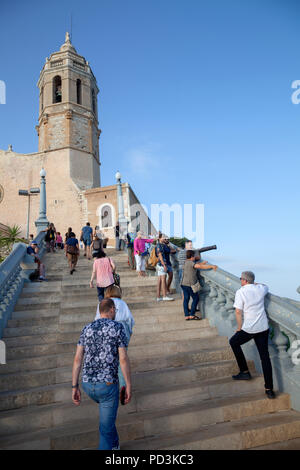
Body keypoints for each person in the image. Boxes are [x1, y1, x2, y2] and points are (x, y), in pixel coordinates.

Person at [72, 298, 132, 450]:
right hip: (107, 385)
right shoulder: (118, 327)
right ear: (112, 309)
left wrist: (74, 386)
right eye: (115, 311)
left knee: (107, 422)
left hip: (87, 385)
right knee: (105, 429)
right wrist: (128, 384)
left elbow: (78, 359)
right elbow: (123, 359)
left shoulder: (87, 328)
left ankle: (115, 445)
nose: (115, 313)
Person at [229, 271, 275, 399]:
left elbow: (238, 312)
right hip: (263, 327)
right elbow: (266, 286)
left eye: (241, 279)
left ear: (244, 280)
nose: (240, 281)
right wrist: (256, 283)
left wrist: (239, 328)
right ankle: (269, 389)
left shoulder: (241, 292)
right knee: (265, 357)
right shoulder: (260, 289)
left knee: (233, 342)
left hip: (249, 328)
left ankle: (244, 371)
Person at [95, 285, 135, 402]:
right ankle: (123, 385)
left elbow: (97, 320)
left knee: (109, 360)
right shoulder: (122, 303)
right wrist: (128, 334)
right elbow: (130, 320)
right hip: (122, 331)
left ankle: (108, 384)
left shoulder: (103, 304)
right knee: (122, 360)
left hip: (107, 333)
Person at [181, 250, 217, 320]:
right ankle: (192, 315)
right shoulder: (191, 263)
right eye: (194, 256)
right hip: (190, 284)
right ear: (191, 257)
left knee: (186, 299)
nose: (195, 257)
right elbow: (200, 267)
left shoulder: (185, 262)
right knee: (195, 298)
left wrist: (202, 263)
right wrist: (211, 266)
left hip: (183, 283)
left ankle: (186, 315)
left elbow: (197, 265)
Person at [156, 234, 177, 301]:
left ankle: (158, 297)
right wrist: (164, 265)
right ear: (159, 238)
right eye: (163, 238)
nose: (165, 239)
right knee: (163, 281)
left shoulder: (163, 245)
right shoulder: (159, 245)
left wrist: (168, 244)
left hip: (164, 264)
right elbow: (160, 256)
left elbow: (173, 251)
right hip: (162, 264)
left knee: (160, 281)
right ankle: (164, 296)